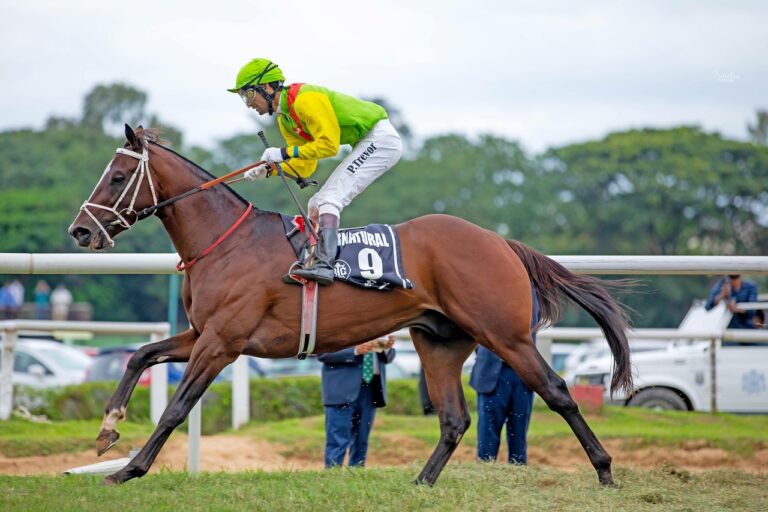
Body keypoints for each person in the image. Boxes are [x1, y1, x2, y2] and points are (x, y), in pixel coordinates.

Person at [228, 58, 403, 285]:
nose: (249, 103)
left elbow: (329, 145)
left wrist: (281, 153)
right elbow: (306, 164)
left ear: (268, 87)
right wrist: (269, 170)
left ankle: (325, 265)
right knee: (315, 204)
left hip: (380, 140)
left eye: (249, 94)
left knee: (330, 199)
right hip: (365, 142)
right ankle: (311, 262)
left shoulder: (305, 99)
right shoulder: (286, 119)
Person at [469, 286, 540, 464]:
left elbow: (533, 322)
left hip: (521, 372)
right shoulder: (481, 285)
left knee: (519, 436)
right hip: (490, 371)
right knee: (486, 435)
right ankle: (484, 472)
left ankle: (517, 474)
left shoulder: (528, 288)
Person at [317, 335, 396, 468]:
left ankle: (357, 472)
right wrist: (355, 351)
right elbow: (322, 353)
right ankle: (332, 474)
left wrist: (386, 348)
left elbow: (389, 357)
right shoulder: (338, 325)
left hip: (371, 389)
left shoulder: (379, 326)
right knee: (338, 438)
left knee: (362, 438)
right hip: (341, 389)